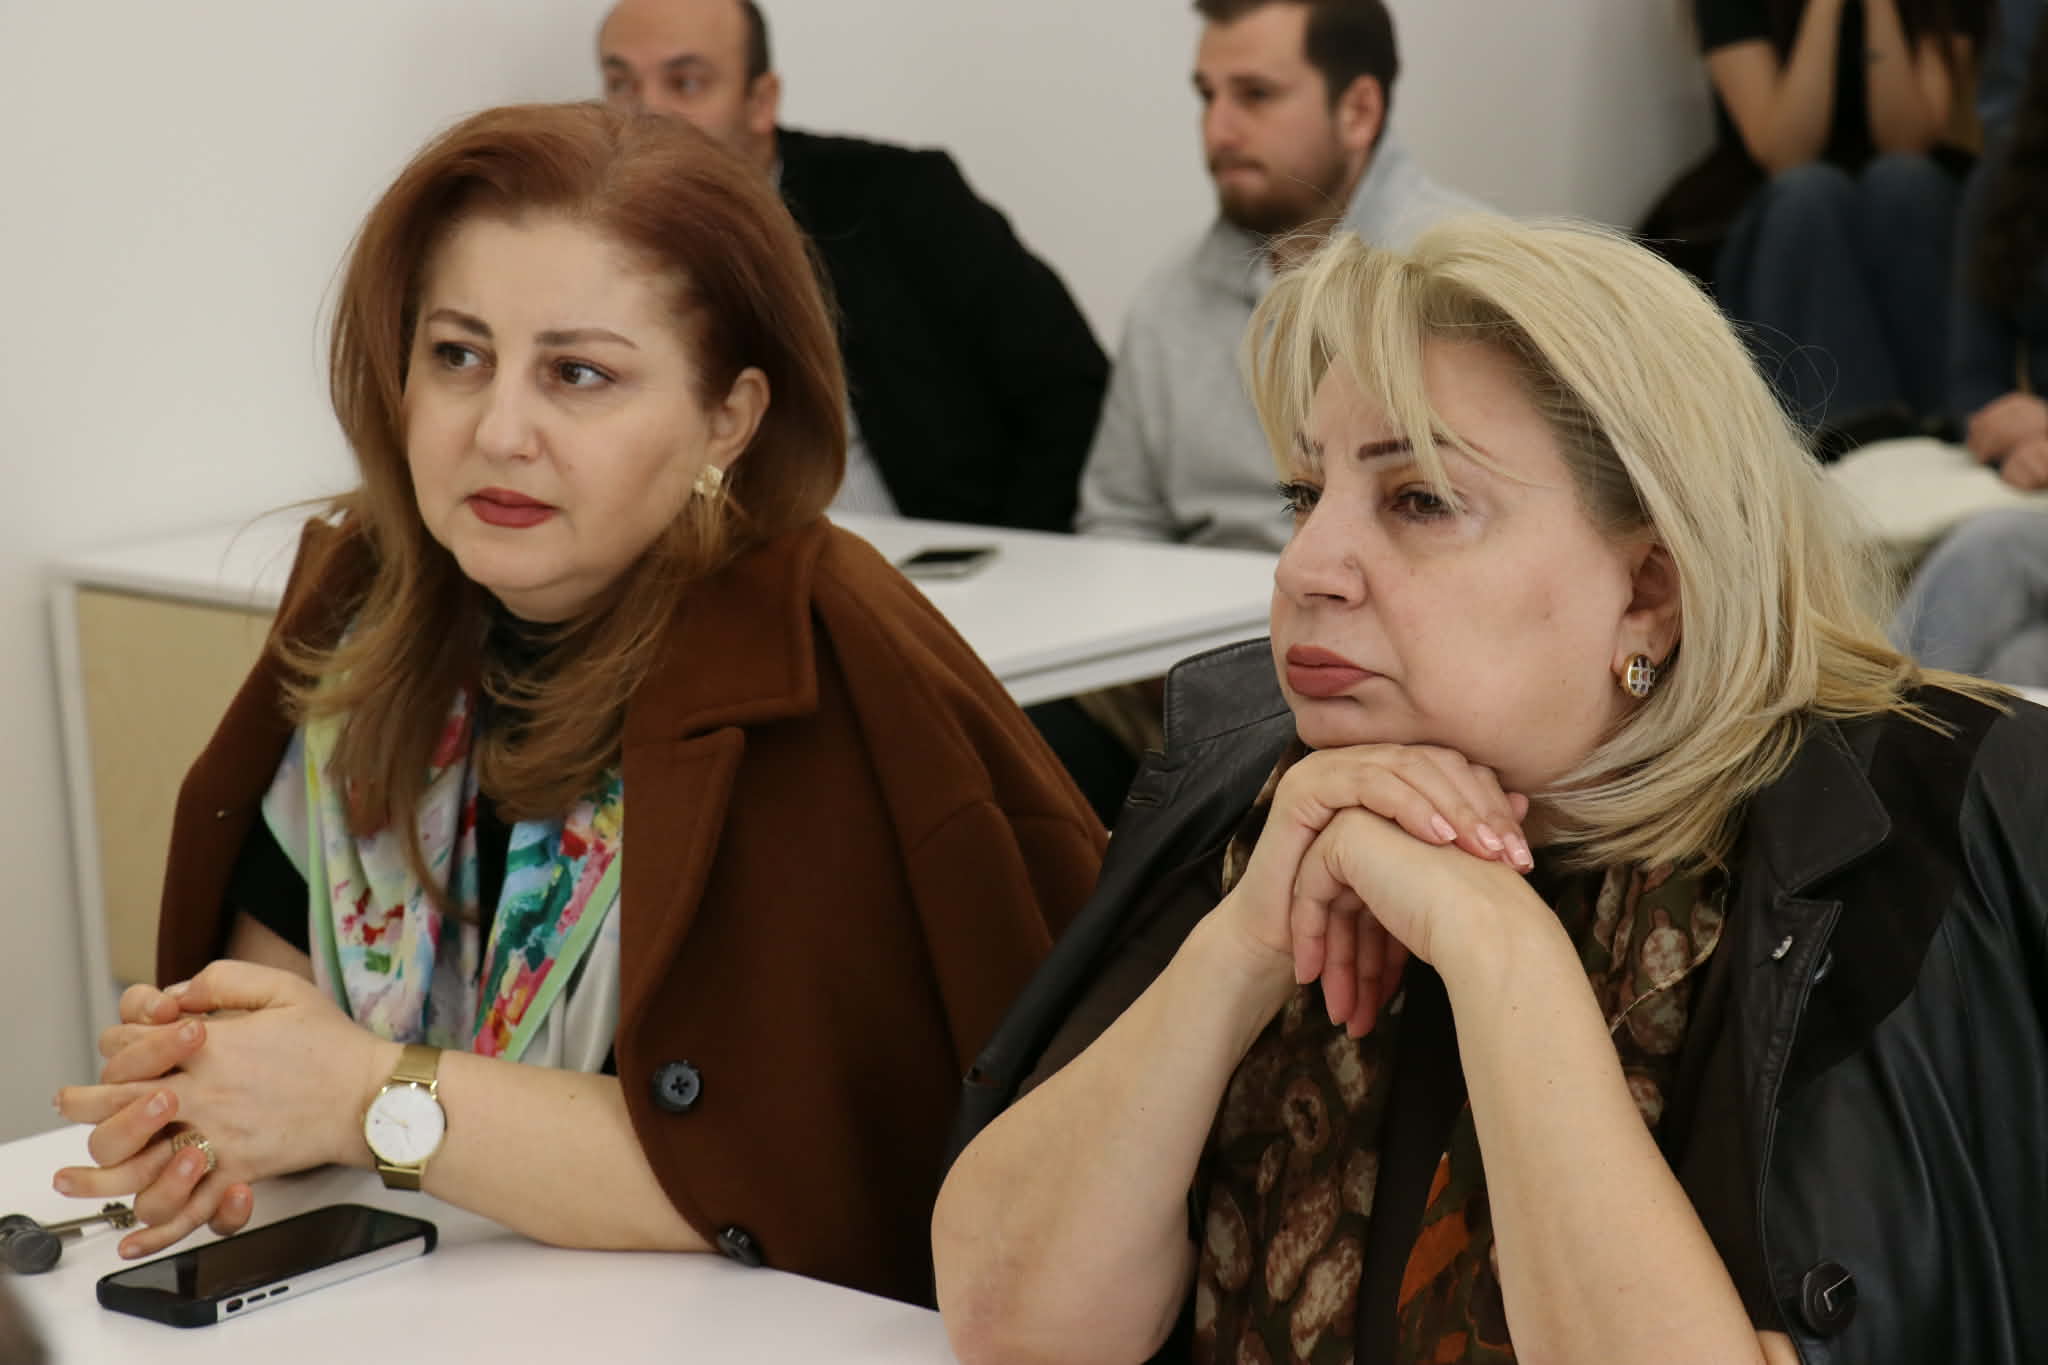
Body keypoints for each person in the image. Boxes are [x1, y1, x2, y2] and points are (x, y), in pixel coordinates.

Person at [931, 217, 2048, 1364]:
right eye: (1302, 496)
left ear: (1647, 591)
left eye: (1418, 500)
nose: (1304, 567)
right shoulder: (1257, 795)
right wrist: (1243, 947)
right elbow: (1016, 1325)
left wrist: (1496, 946)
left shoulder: (1903, 837)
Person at [48, 102, 1105, 1307]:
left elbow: (770, 1179)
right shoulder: (369, 616)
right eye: (457, 355)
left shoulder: (817, 663)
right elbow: (266, 1030)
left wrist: (360, 1097)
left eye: (579, 374)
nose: (499, 430)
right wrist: (213, 1096)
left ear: (727, 420)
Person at [597, 0, 1108, 531]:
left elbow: (1070, 392)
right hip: (718, 565)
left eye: (686, 84)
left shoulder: (902, 200)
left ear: (761, 100)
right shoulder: (594, 240)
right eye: (620, 84)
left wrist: (1012, 556)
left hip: (935, 555)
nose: (646, 112)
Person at [1075, 0, 1484, 553]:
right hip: (1197, 603)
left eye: (1256, 95)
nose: (1217, 131)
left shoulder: (1474, 288)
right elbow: (1118, 522)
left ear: (1359, 111)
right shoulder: (1168, 300)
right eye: (1208, 96)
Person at [1688, 0, 1988, 442]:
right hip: (1781, 215)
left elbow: (1907, 139)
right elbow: (1785, 152)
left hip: (1909, 202)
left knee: (1905, 182)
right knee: (1810, 193)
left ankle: (1947, 426)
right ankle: (1846, 435)